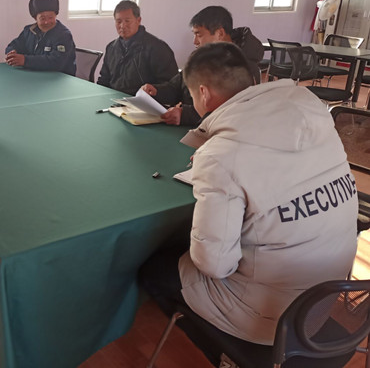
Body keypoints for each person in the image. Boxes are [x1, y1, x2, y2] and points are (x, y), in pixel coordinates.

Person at [139, 42, 357, 348]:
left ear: (203, 94)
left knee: (154, 268)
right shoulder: (311, 108)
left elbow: (215, 266)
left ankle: (223, 352)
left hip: (270, 318)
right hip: (326, 296)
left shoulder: (221, 156)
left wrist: (217, 158)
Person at [142, 6, 264, 127]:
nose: (195, 41)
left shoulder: (243, 67)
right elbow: (176, 86)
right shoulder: (201, 58)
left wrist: (185, 115)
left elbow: (230, 111)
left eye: (199, 35)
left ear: (220, 33)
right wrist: (156, 91)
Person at [97, 0, 178, 96]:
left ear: (138, 20)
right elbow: (104, 80)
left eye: (127, 21)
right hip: (112, 99)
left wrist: (153, 91)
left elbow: (172, 86)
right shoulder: (111, 48)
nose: (122, 26)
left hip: (141, 101)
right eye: (119, 21)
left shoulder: (157, 48)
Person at [5, 0, 76, 76]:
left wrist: (25, 60)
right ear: (35, 18)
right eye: (43, 18)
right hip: (34, 75)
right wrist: (12, 53)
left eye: (50, 18)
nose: (47, 22)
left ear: (56, 16)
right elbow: (13, 45)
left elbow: (56, 62)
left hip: (60, 78)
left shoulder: (64, 35)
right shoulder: (29, 31)